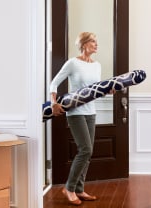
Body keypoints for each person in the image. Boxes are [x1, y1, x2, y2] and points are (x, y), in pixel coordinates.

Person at [50, 32, 112, 206]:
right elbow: (54, 83)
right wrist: (54, 103)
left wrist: (106, 91)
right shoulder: (72, 63)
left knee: (88, 152)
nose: (96, 44)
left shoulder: (97, 65)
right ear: (84, 44)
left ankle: (79, 188)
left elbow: (94, 91)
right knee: (85, 150)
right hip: (75, 112)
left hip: (91, 112)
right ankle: (69, 188)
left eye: (96, 41)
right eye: (93, 41)